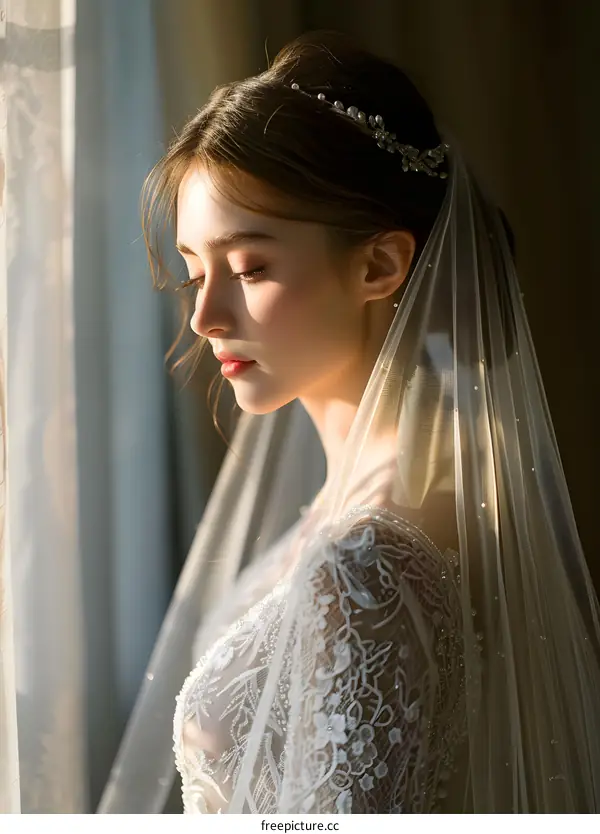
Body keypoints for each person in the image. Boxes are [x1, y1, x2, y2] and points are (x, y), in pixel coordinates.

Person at [132, 30, 600, 813]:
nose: (205, 316)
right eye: (193, 273)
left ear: (379, 266)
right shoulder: (407, 495)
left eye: (249, 268)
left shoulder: (366, 565)